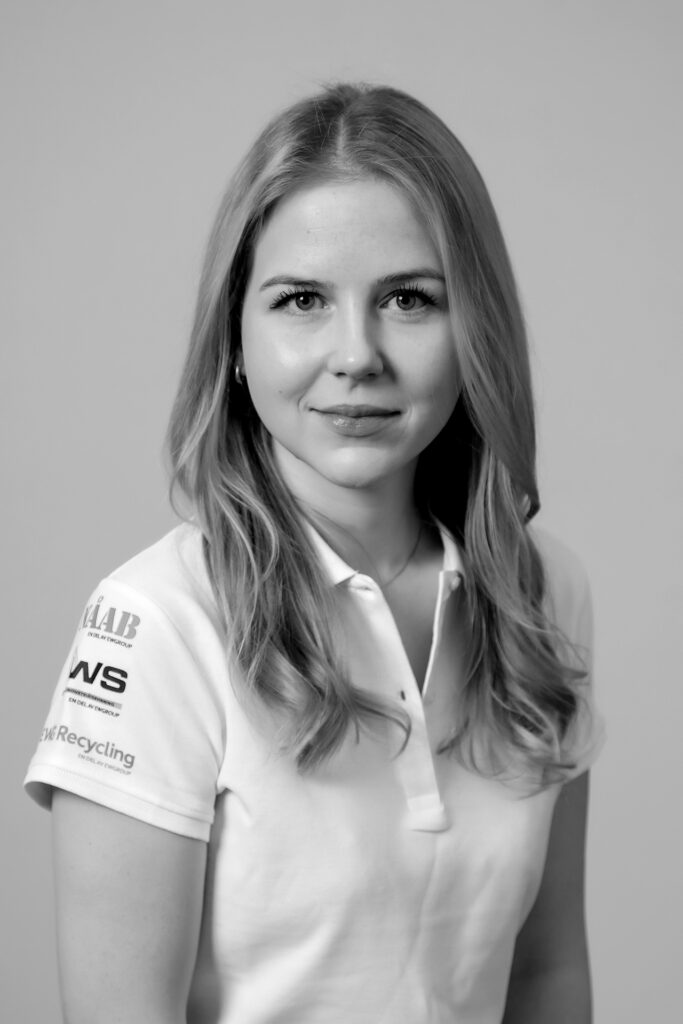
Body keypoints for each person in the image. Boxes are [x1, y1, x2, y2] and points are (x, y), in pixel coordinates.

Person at [24, 81, 604, 1024]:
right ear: (235, 340)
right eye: (300, 299)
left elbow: (545, 976)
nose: (356, 354)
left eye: (409, 299)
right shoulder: (157, 624)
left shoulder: (542, 591)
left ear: (476, 329)